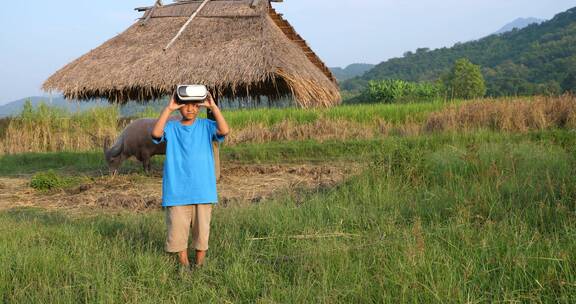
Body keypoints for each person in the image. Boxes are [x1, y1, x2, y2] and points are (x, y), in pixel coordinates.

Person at [151, 89, 229, 271]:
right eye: (186, 105)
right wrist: (169, 108)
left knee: (202, 231)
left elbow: (224, 130)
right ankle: (184, 265)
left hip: (203, 189)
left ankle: (200, 265)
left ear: (200, 107)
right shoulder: (171, 128)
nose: (190, 109)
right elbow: (155, 134)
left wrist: (213, 106)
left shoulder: (206, 125)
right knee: (178, 230)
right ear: (179, 107)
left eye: (195, 105)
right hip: (177, 190)